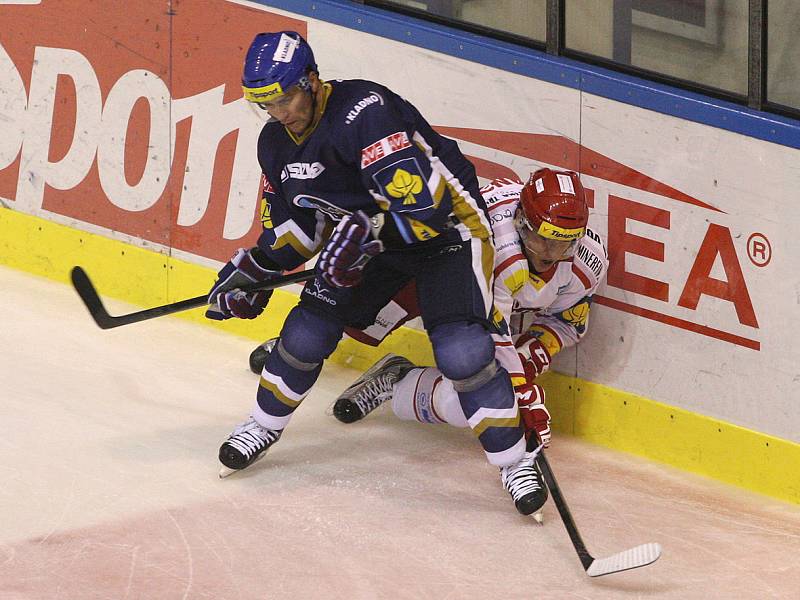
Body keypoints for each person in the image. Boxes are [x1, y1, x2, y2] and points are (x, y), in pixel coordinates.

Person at [208, 31, 543, 516]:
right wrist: (256, 269)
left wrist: (360, 240)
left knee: (463, 351)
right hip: (377, 241)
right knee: (308, 330)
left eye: (284, 98)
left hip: (450, 233)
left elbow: (424, 212)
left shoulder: (365, 110)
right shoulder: (275, 145)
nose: (279, 112)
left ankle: (514, 462)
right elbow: (303, 225)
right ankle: (261, 425)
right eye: (265, 103)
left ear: (312, 80)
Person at [250, 168, 609, 514]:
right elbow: (488, 327)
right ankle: (292, 351)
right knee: (359, 319)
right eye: (541, 237)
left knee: (476, 401)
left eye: (563, 243)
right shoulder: (496, 245)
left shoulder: (587, 262)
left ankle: (399, 381)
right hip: (437, 267)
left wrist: (527, 366)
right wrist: (518, 385)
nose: (549, 251)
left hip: (481, 304)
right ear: (521, 222)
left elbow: (566, 322)